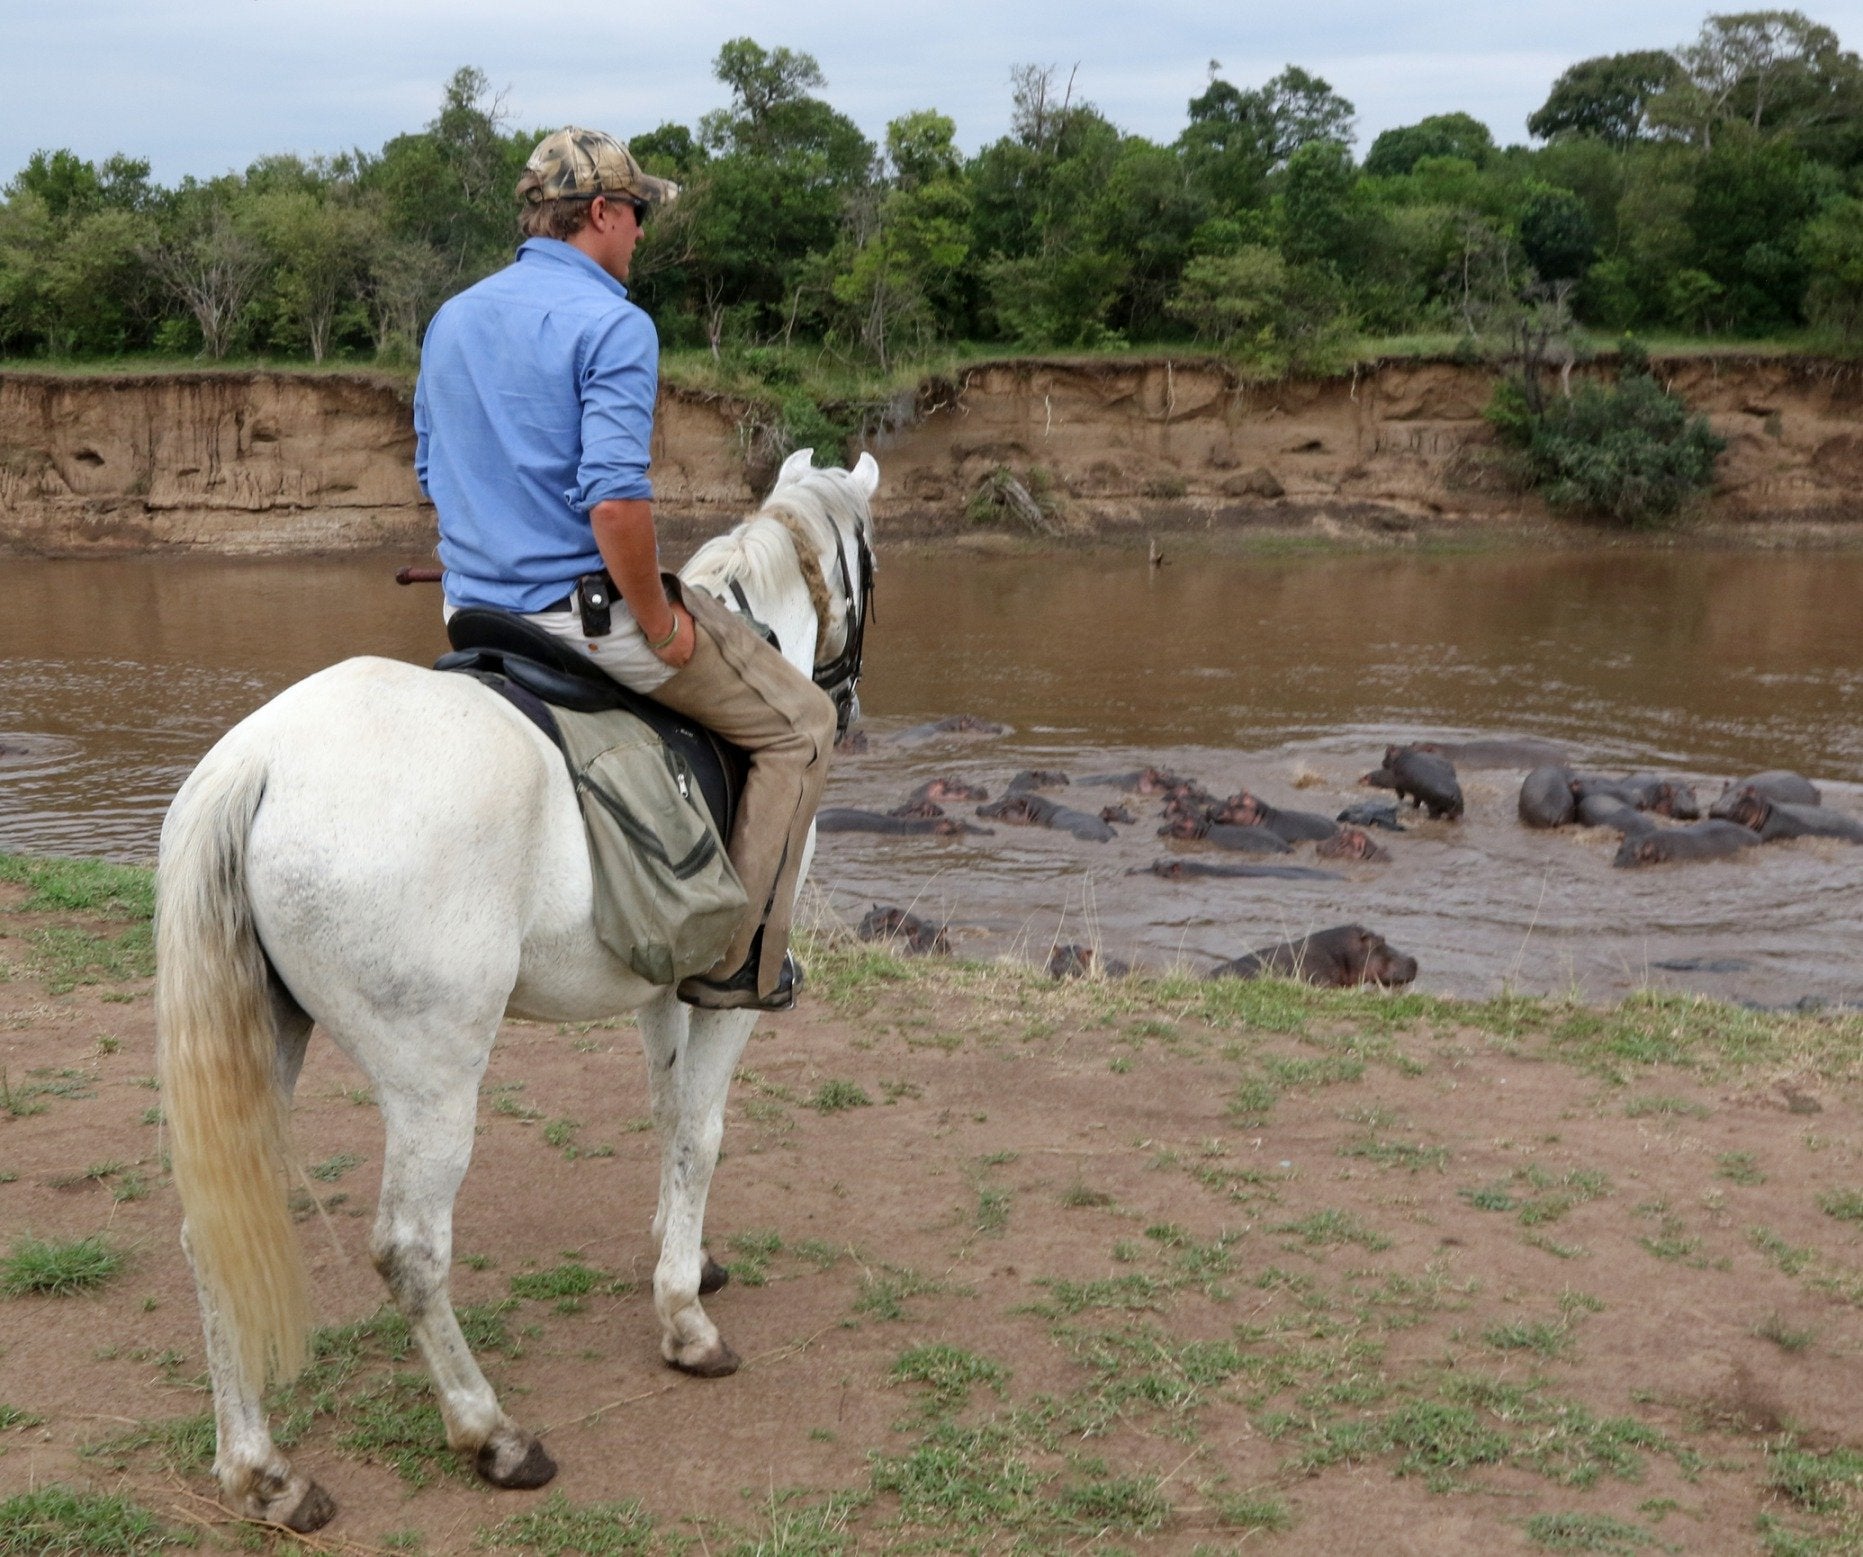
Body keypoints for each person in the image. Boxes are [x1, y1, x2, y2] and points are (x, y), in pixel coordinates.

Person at [413, 127, 836, 1012]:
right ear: (600, 212)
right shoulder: (614, 323)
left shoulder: (453, 317)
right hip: (580, 622)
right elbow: (613, 504)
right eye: (638, 211)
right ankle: (737, 964)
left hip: (470, 611)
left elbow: (430, 469)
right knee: (802, 723)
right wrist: (659, 620)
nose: (642, 231)